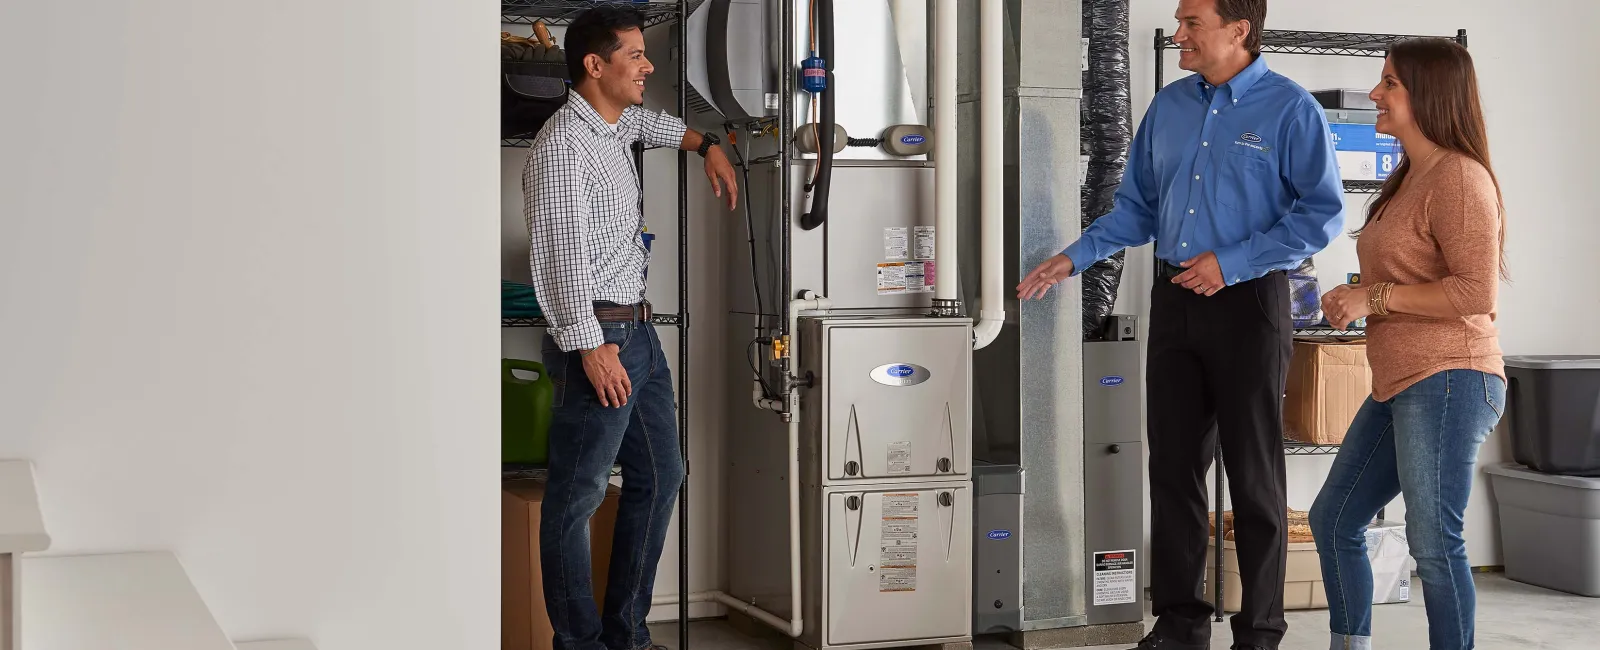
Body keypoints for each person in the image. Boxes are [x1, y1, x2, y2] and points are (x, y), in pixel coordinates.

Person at [1017, 0, 1345, 647]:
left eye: (1192, 22)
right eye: (1179, 21)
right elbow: (1135, 208)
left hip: (1249, 305)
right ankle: (1179, 621)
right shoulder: (1169, 107)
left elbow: (1321, 215)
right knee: (1171, 469)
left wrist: (1234, 262)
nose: (1179, 33)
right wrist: (1072, 256)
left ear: (1238, 29)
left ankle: (1260, 629)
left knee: (1253, 476)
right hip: (1174, 303)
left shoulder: (1288, 108)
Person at [522, 6, 737, 650]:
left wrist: (709, 145)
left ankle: (627, 634)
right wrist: (591, 348)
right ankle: (580, 642)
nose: (648, 66)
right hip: (601, 338)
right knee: (579, 497)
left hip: (639, 332)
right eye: (635, 56)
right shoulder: (564, 148)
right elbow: (558, 261)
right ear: (595, 65)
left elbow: (653, 123)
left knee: (661, 475)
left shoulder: (615, 126)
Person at [1311, 38, 1506, 650]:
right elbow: (1408, 273)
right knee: (1335, 519)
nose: (1375, 92)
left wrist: (1372, 298)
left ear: (1429, 95)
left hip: (1451, 377)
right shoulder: (1406, 178)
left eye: (1390, 83)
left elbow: (1477, 291)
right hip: (1399, 381)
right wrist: (1357, 293)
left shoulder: (1459, 179)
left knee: (1432, 539)